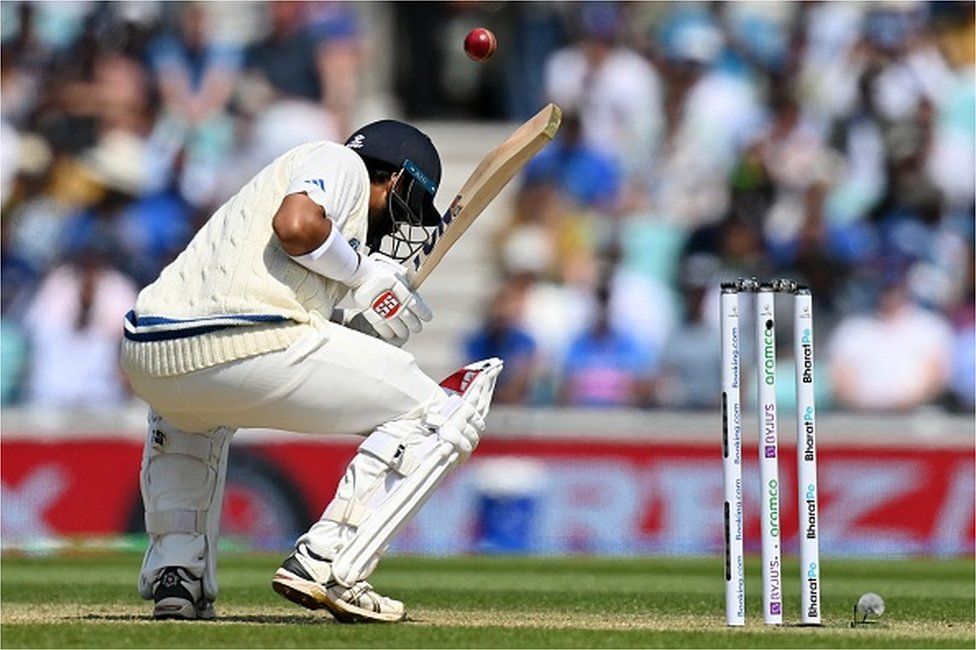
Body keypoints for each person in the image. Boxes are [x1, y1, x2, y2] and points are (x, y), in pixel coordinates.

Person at [120, 119, 502, 622]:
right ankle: (330, 561)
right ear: (394, 178)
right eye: (405, 205)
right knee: (442, 412)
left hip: (151, 353)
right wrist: (365, 275)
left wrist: (358, 314)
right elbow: (297, 227)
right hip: (244, 339)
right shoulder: (340, 162)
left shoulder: (309, 228)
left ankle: (178, 573)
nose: (398, 225)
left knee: (192, 416)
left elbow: (301, 312)